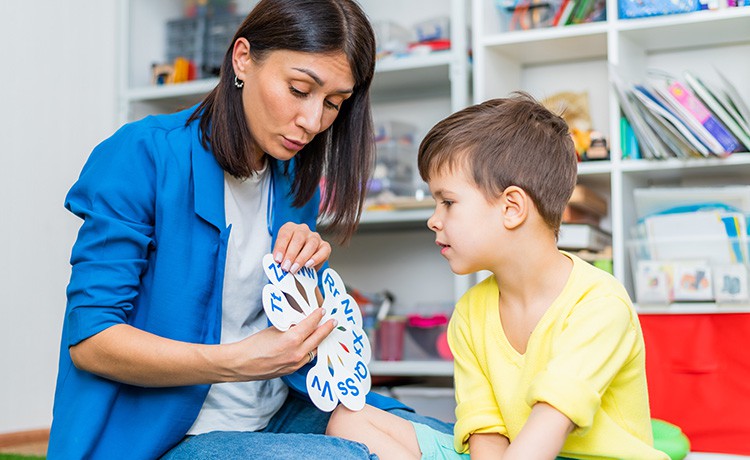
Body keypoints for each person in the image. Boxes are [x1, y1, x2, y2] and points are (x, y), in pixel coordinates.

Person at [48, 0, 451, 458]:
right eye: (300, 89)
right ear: (242, 58)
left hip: (273, 407)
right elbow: (92, 342)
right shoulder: (142, 156)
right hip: (164, 435)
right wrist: (236, 362)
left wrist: (312, 291)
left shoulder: (294, 180)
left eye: (334, 103)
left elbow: (279, 318)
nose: (313, 121)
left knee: (436, 438)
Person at [326, 93, 669, 460]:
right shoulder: (472, 311)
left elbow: (549, 428)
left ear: (511, 208)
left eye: (448, 202)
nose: (433, 219)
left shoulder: (599, 304)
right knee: (349, 421)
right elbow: (486, 432)